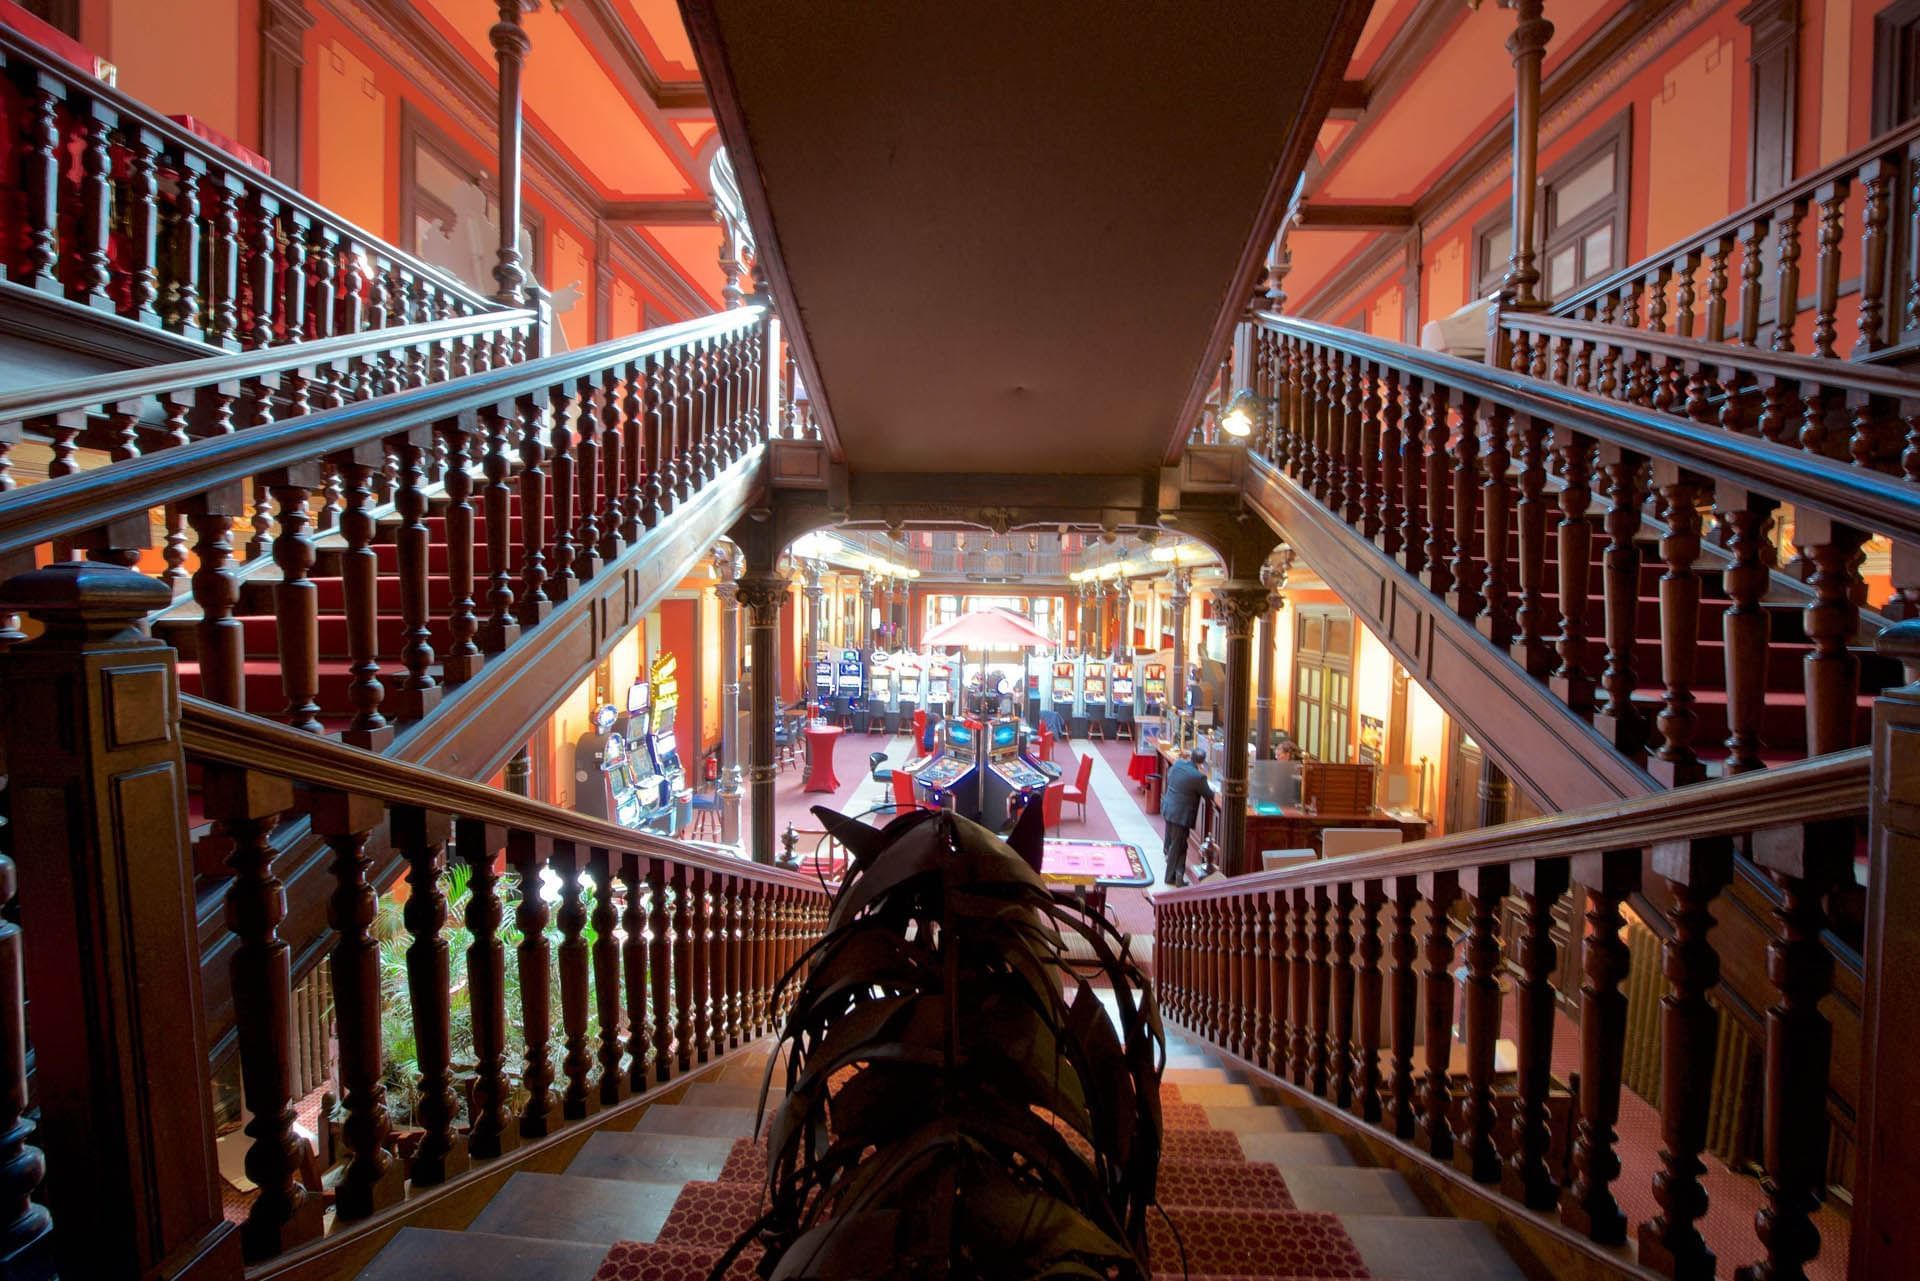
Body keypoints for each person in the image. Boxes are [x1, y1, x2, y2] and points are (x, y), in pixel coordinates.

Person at [1159, 745, 1213, 888]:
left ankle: (1178, 876)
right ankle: (1169, 877)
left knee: (1180, 845)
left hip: (1169, 808)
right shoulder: (1199, 777)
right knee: (1177, 846)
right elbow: (1209, 794)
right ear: (1202, 762)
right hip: (1181, 816)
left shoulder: (1178, 765)